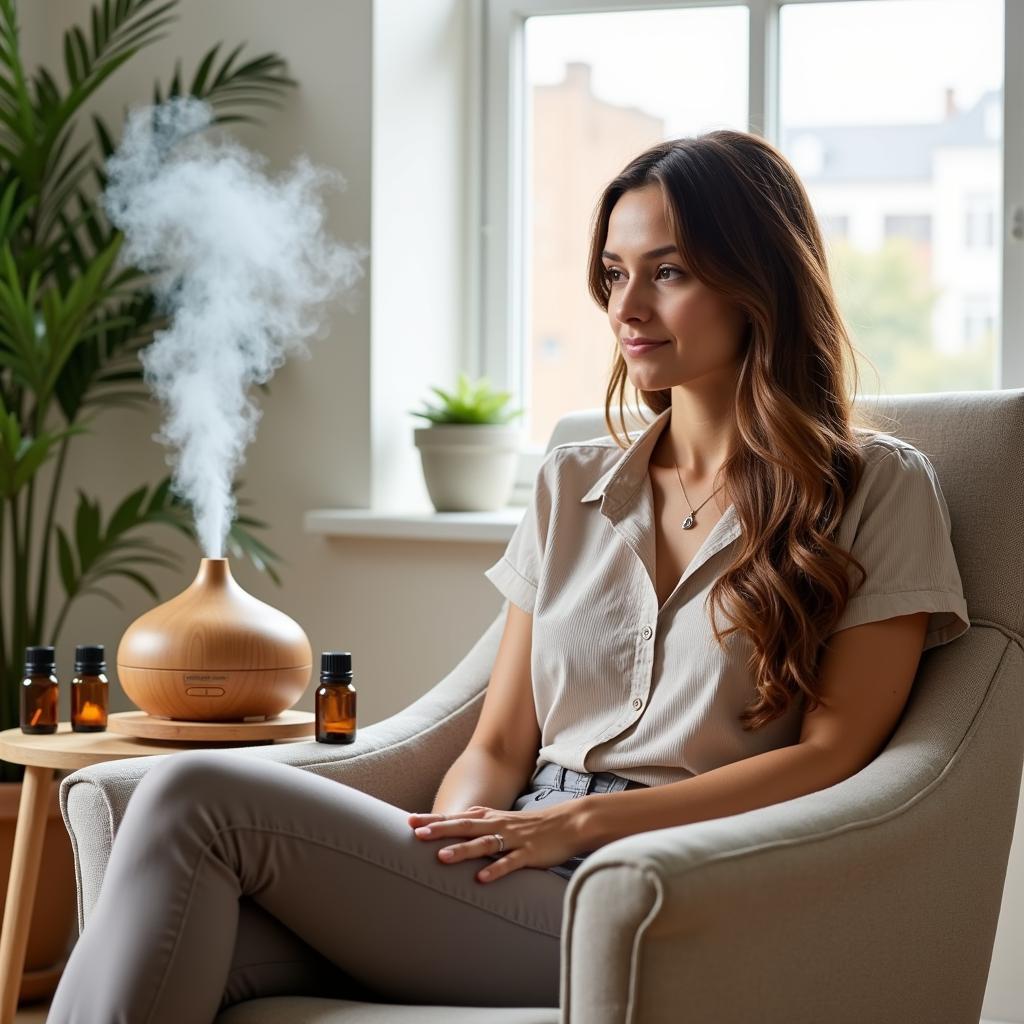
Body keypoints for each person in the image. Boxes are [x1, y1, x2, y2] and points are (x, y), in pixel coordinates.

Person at [46, 129, 969, 1022]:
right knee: (186, 946)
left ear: (759, 279)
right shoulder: (572, 483)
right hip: (515, 864)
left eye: (670, 271)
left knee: (190, 795)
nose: (626, 308)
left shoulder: (872, 488)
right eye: (614, 274)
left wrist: (578, 832)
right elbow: (497, 742)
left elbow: (832, 759)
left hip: (672, 886)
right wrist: (455, 842)